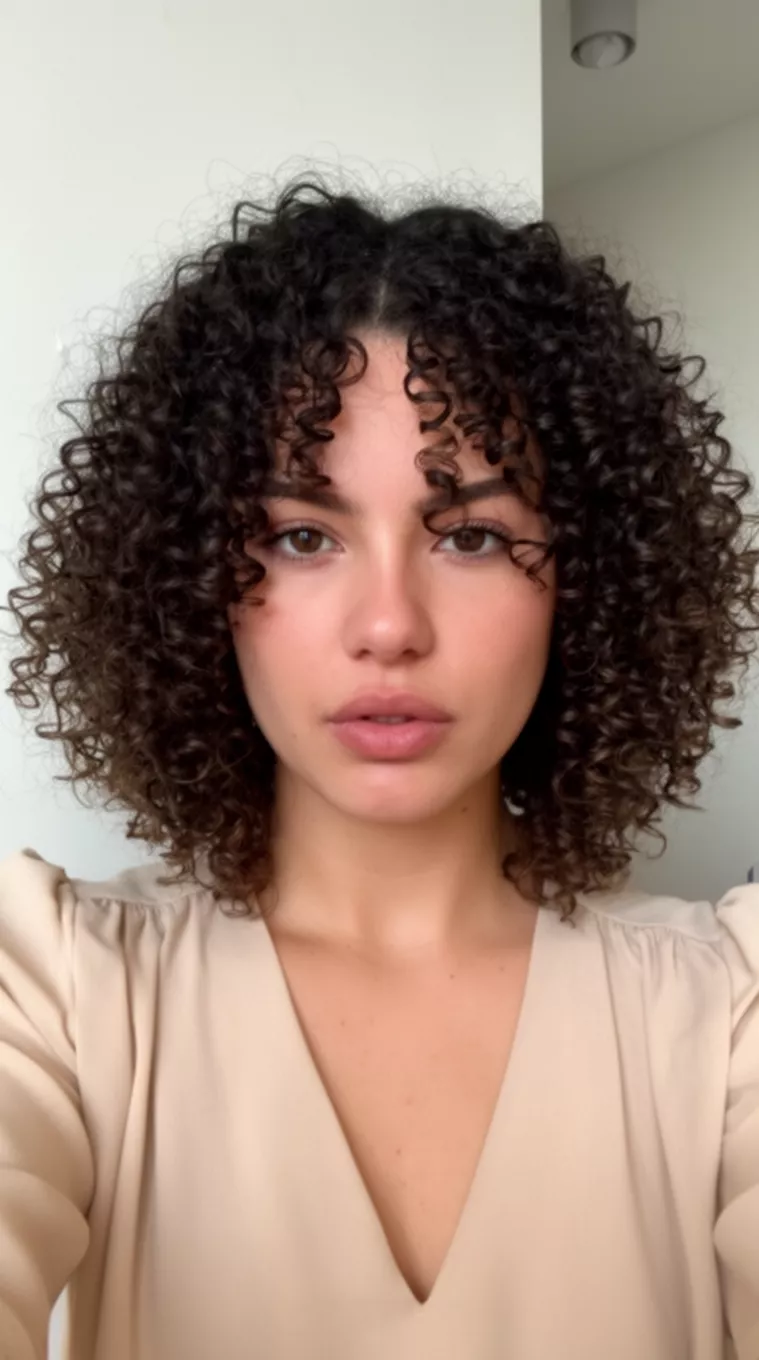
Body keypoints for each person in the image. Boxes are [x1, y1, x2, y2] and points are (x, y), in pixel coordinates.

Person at [1, 172, 758, 1360]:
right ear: (189, 575)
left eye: (470, 536)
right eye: (303, 536)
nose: (390, 623)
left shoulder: (729, 1015)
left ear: (588, 581)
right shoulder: (56, 988)